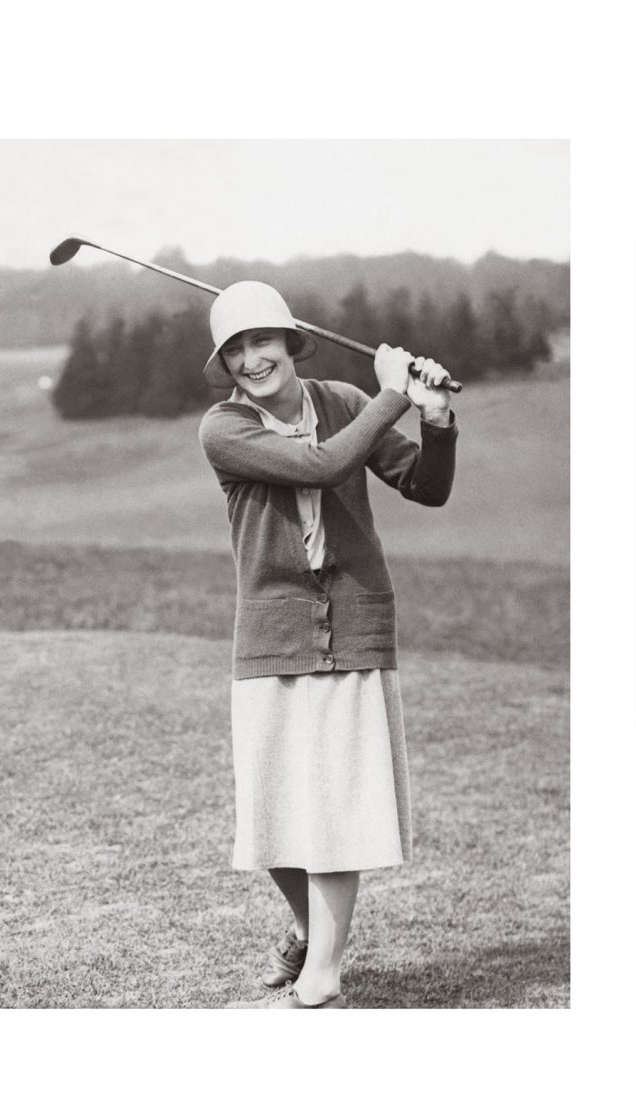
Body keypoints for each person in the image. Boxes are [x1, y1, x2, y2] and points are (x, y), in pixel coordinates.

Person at [198, 281, 458, 1008]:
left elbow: (425, 486)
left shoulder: (342, 400)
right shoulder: (222, 428)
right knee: (273, 810)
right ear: (224, 363)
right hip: (273, 632)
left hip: (355, 621)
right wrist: (392, 394)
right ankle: (311, 929)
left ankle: (326, 969)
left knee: (337, 806)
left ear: (289, 341)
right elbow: (321, 465)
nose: (253, 359)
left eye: (263, 340)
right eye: (236, 348)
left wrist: (435, 419)